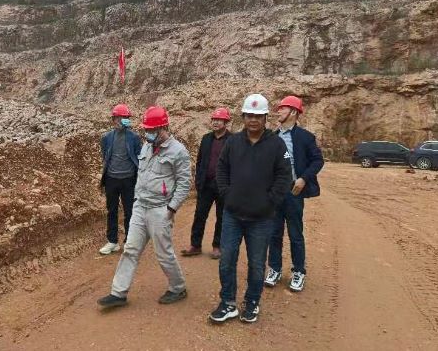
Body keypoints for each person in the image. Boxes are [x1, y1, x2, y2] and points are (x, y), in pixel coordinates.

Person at [209, 94, 292, 324]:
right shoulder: (233, 143)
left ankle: (252, 301)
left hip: (261, 219)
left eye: (258, 116)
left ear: (265, 118)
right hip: (232, 215)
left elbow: (284, 176)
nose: (253, 120)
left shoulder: (276, 144)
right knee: (227, 260)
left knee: (256, 264)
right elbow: (221, 169)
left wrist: (270, 201)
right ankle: (228, 303)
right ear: (243, 117)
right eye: (249, 115)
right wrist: (227, 194)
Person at [97, 106, 191, 308]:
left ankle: (178, 287)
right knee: (130, 249)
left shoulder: (178, 151)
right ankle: (118, 293)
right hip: (141, 207)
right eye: (147, 129)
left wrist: (171, 209)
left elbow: (184, 184)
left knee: (163, 253)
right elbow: (141, 174)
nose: (147, 133)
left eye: (151, 130)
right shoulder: (147, 147)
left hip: (160, 209)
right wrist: (137, 200)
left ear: (163, 127)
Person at [265, 96, 324, 292]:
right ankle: (274, 269)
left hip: (293, 191)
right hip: (275, 192)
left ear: (293, 112)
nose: (279, 111)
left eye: (283, 108)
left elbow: (317, 161)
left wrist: (303, 178)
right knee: (274, 232)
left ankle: (298, 271)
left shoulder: (305, 137)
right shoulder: (272, 137)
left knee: (295, 233)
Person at [181, 108, 232, 260]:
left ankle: (217, 246)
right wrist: (198, 181)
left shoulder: (233, 140)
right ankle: (195, 245)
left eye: (219, 120)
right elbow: (200, 161)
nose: (215, 122)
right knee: (199, 215)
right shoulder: (206, 139)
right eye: (214, 119)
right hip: (206, 184)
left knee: (221, 217)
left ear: (226, 122)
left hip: (223, 186)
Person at [99, 104, 142, 255]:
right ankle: (112, 241)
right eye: (118, 118)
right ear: (113, 119)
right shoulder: (106, 138)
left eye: (124, 118)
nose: (120, 121)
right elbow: (105, 156)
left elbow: (139, 157)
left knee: (130, 211)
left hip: (129, 180)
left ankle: (129, 242)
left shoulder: (134, 138)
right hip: (111, 179)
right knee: (112, 210)